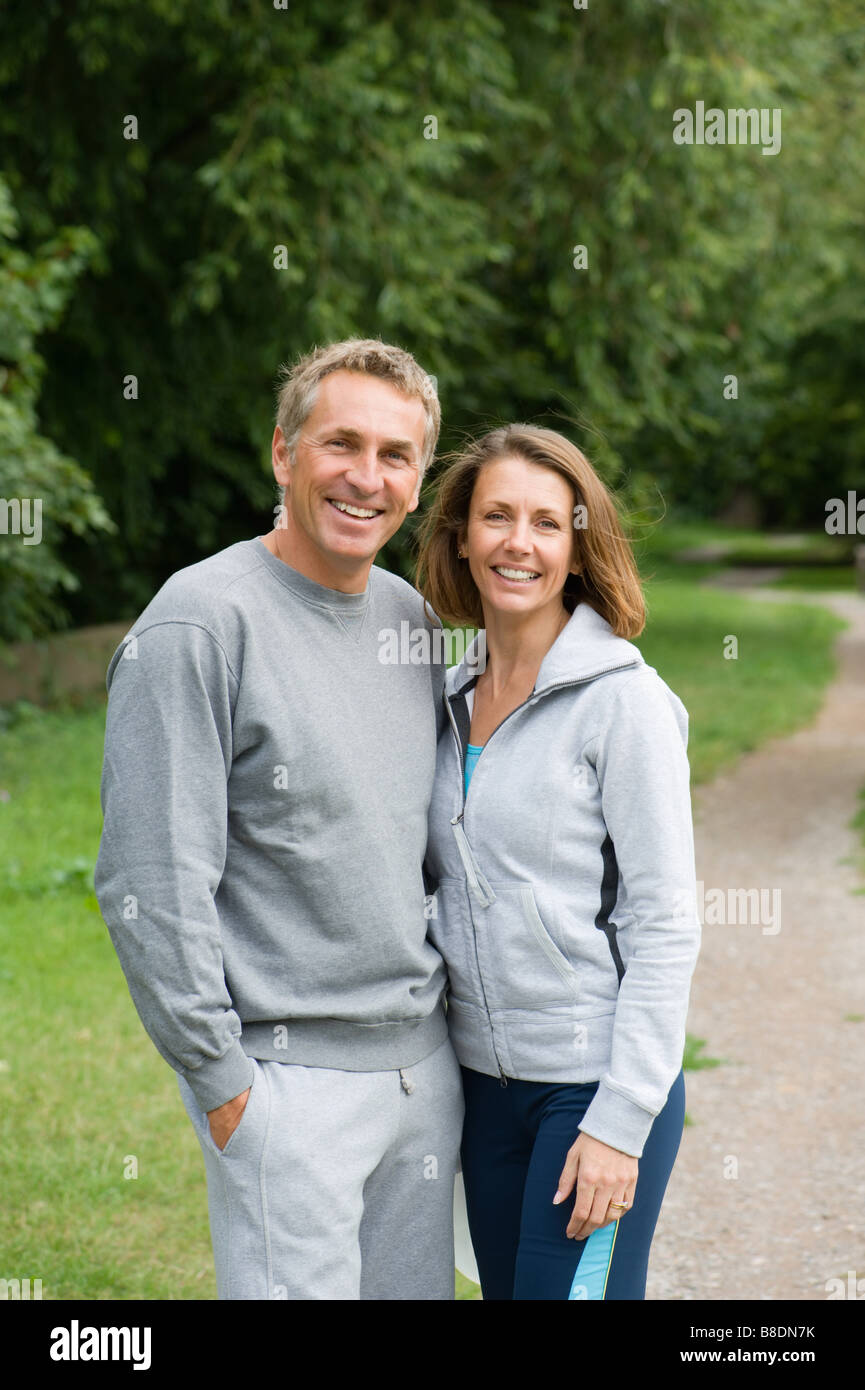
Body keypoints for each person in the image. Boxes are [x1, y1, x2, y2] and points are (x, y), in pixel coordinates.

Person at [94, 338, 464, 1301]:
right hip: (284, 1086)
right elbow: (148, 878)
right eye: (341, 444)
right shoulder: (200, 621)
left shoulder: (411, 622)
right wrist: (224, 1086)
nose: (366, 477)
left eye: (396, 457)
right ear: (283, 454)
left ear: (418, 482)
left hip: (423, 1076)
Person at [415, 424, 701, 1300]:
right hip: (479, 1088)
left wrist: (620, 1123)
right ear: (462, 535)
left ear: (577, 547)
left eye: (546, 522)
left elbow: (662, 923)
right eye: (495, 516)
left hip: (589, 1087)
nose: (517, 542)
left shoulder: (625, 704)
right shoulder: (445, 693)